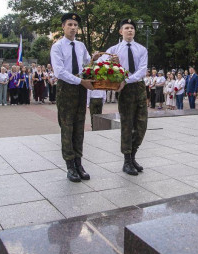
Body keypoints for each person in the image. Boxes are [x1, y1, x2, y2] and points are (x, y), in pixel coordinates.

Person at [50, 12, 98, 183]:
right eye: (69, 24)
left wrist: (95, 60)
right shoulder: (57, 47)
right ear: (63, 27)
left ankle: (79, 163)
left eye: (75, 25)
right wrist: (81, 81)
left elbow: (87, 64)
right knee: (67, 127)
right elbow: (59, 72)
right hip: (67, 89)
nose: (73, 28)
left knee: (79, 127)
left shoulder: (81, 45)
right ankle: (70, 165)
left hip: (80, 88)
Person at [102, 18, 148, 176]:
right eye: (126, 28)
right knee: (127, 125)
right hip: (124, 89)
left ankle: (133, 155)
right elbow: (101, 65)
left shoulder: (141, 49)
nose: (130, 30)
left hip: (138, 87)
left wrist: (126, 80)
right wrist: (110, 61)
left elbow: (142, 70)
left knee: (141, 125)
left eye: (132, 28)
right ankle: (127, 160)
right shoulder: (114, 49)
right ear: (120, 31)